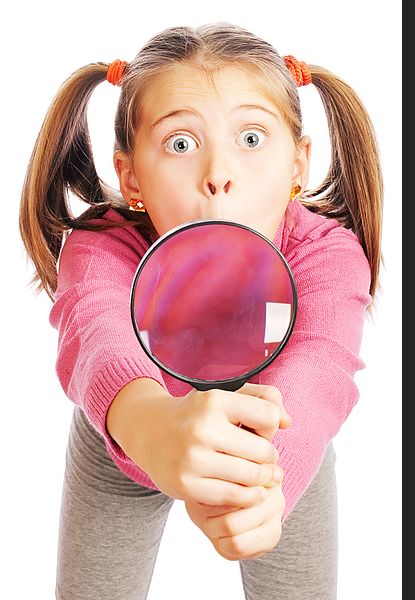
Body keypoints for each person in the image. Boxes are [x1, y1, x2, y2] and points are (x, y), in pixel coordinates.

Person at [19, 22, 383, 600]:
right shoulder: (103, 245)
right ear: (130, 174)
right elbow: (95, 332)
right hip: (126, 437)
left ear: (298, 165)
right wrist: (147, 424)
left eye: (253, 138)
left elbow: (320, 369)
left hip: (278, 445)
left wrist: (267, 481)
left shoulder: (326, 253)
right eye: (181, 143)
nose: (219, 176)